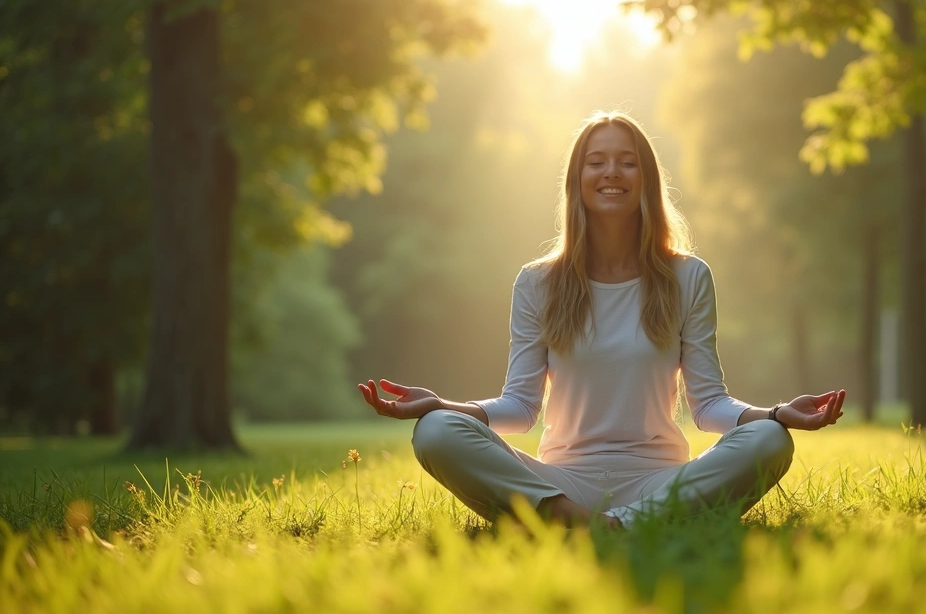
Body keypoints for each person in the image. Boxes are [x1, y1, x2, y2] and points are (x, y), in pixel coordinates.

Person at [358, 111, 846, 528]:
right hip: (561, 480)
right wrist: (443, 405)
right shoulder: (537, 282)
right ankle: (583, 520)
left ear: (646, 179)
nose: (611, 171)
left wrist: (776, 414)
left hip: (659, 479)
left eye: (626, 161)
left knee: (769, 441)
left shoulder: (689, 276)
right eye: (597, 161)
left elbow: (709, 405)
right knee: (435, 431)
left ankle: (602, 527)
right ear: (577, 179)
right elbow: (520, 407)